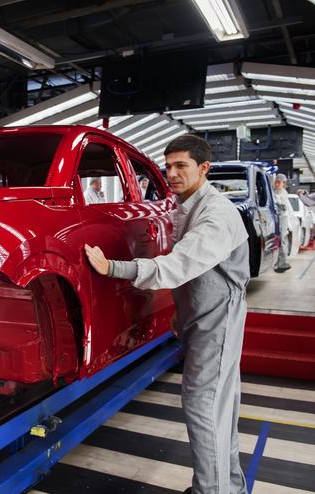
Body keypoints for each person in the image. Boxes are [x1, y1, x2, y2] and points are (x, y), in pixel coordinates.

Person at [84, 134, 249, 494]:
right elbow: (198, 274)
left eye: (181, 166)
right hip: (200, 314)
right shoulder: (184, 206)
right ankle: (229, 487)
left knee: (204, 405)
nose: (171, 173)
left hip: (217, 320)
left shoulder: (217, 214)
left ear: (204, 168)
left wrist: (113, 268)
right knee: (218, 408)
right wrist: (180, 309)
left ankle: (212, 491)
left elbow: (178, 265)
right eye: (168, 165)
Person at [273, 174, 293, 273]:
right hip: (280, 219)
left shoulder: (282, 193)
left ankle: (282, 263)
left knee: (282, 240)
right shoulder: (276, 192)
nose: (277, 184)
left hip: (282, 219)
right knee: (280, 241)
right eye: (278, 182)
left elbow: (282, 208)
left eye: (280, 182)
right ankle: (280, 262)